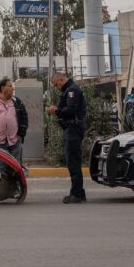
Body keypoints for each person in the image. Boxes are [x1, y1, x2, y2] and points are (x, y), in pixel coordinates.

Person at [46, 72, 87, 203]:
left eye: (56, 84)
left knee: (73, 162)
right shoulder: (69, 90)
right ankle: (77, 192)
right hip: (71, 129)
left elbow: (71, 110)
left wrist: (56, 110)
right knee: (72, 162)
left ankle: (77, 194)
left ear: (61, 79)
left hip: (73, 129)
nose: (56, 87)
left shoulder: (72, 90)